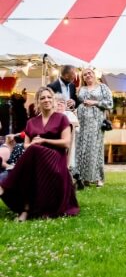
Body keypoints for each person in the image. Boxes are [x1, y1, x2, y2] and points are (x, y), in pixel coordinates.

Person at [0, 86, 79, 221]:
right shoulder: (31, 122)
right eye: (42, 98)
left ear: (53, 100)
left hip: (56, 158)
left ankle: (5, 187)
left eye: (49, 97)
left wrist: (43, 140)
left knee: (34, 149)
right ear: (38, 101)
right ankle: (25, 208)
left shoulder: (61, 118)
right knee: (32, 150)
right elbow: (26, 144)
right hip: (36, 158)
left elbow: (66, 143)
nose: (46, 100)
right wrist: (32, 144)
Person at [74, 68, 113, 188]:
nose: (87, 76)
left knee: (95, 149)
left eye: (89, 73)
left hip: (96, 123)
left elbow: (110, 104)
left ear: (94, 74)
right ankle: (84, 178)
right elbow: (77, 103)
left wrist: (95, 102)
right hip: (82, 123)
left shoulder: (103, 88)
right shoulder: (81, 89)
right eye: (85, 74)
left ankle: (98, 178)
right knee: (82, 149)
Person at [54, 93, 80, 172]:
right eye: (56, 102)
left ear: (66, 105)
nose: (59, 104)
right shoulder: (47, 113)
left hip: (65, 147)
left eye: (62, 102)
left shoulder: (69, 115)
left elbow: (77, 129)